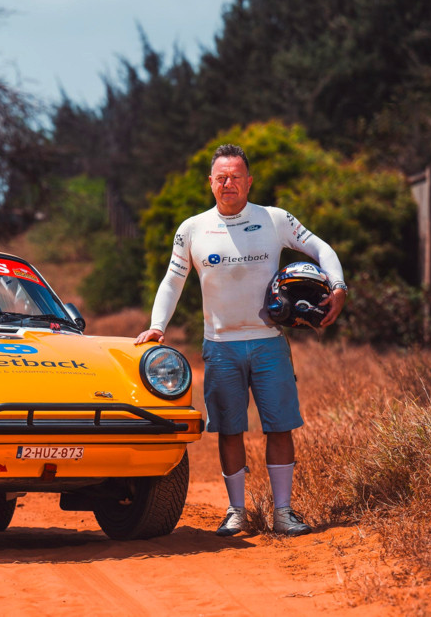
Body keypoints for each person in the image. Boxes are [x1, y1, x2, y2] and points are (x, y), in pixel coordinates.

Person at [134, 144, 346, 537]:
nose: (228, 183)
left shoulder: (274, 219)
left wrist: (338, 286)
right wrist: (157, 325)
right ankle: (236, 512)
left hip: (268, 341)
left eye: (235, 177)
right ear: (210, 183)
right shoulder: (192, 229)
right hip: (220, 346)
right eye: (221, 177)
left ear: (249, 182)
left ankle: (283, 513)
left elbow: (321, 248)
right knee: (229, 430)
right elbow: (173, 280)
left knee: (279, 427)